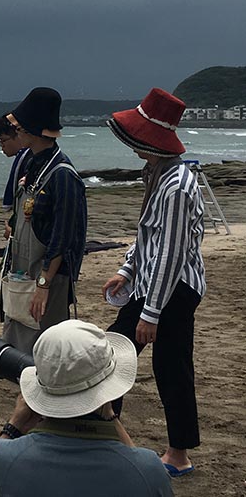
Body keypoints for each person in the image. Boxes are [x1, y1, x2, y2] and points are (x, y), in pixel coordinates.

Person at [103, 87, 206, 478]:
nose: (132, 146)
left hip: (172, 291)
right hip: (156, 286)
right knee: (119, 357)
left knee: (164, 366)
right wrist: (127, 270)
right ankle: (112, 439)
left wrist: (151, 312)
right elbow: (148, 238)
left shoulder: (177, 185)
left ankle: (176, 454)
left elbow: (171, 253)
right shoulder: (158, 173)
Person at [0, 320, 173, 496]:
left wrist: (13, 427)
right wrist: (110, 416)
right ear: (111, 391)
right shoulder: (148, 470)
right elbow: (140, 469)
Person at [1, 87, 87, 355]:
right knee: (20, 342)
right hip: (22, 270)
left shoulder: (63, 175)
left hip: (49, 277)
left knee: (45, 347)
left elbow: (62, 237)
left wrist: (43, 285)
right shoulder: (32, 163)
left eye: (19, 128)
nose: (16, 132)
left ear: (30, 131)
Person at [0, 115, 29, 240]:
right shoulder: (29, 157)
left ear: (18, 135)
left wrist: (14, 231)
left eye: (3, 140)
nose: (1, 145)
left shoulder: (27, 160)